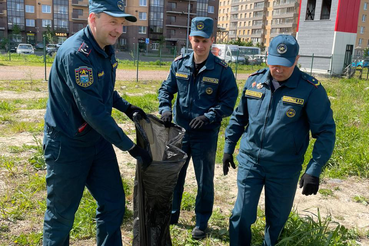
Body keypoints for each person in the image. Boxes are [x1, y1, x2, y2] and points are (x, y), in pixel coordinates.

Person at [42, 1, 152, 245]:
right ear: (92, 19)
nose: (118, 30)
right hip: (67, 144)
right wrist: (131, 147)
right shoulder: (77, 55)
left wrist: (126, 106)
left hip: (97, 141)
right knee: (61, 216)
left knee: (113, 203)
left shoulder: (104, 47)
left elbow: (103, 90)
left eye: (121, 24)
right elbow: (93, 112)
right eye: (113, 22)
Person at [222, 34, 336, 246]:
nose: (278, 69)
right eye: (274, 63)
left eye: (285, 64)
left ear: (296, 59)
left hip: (284, 168)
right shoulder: (254, 82)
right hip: (250, 161)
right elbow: (239, 118)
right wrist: (229, 147)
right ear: (267, 58)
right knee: (241, 215)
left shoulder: (310, 90)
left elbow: (326, 132)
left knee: (276, 221)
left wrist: (314, 169)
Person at [158, 17, 239, 239]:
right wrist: (165, 108)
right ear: (190, 39)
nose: (200, 46)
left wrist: (209, 116)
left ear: (212, 40)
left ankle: (201, 221)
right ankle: (172, 214)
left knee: (204, 181)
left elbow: (229, 101)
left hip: (205, 135)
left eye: (204, 41)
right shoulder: (179, 64)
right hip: (180, 132)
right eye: (196, 40)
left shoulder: (222, 71)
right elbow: (166, 90)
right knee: (175, 176)